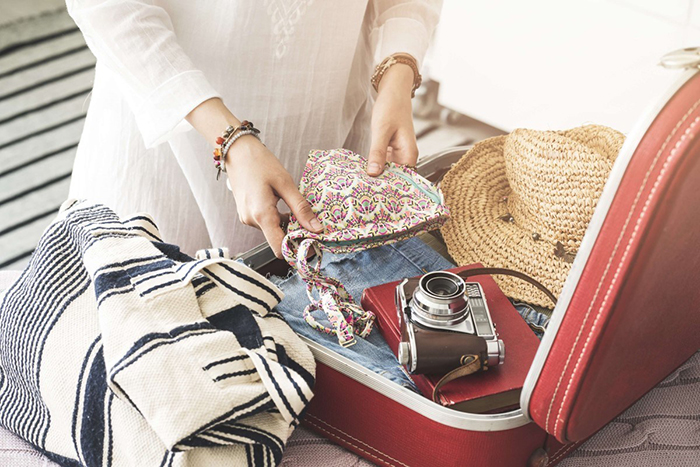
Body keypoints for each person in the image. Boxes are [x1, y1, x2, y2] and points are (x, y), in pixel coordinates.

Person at [66, 0, 442, 258]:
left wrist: (398, 70)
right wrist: (230, 140)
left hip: (326, 131)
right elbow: (110, 8)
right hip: (167, 137)